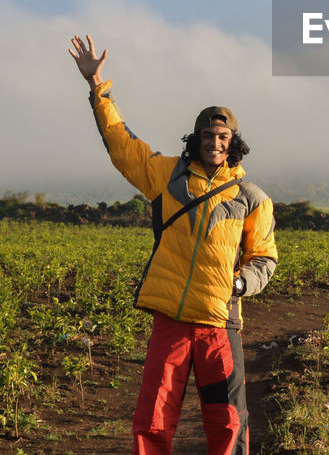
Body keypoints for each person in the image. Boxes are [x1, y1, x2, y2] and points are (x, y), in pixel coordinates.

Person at [68, 34, 277, 455]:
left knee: (228, 419)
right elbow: (123, 147)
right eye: (207, 134)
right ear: (195, 138)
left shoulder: (251, 197)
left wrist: (239, 286)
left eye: (222, 136)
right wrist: (97, 88)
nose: (214, 142)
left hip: (220, 322)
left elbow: (264, 258)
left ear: (233, 142)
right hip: (171, 320)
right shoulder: (168, 176)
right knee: (154, 417)